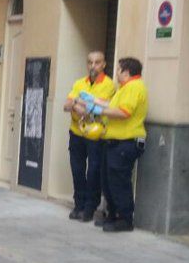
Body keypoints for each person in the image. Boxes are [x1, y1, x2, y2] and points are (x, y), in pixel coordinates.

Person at [81, 57, 148, 232]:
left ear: (126, 72)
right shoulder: (124, 88)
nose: (116, 73)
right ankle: (112, 215)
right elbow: (112, 104)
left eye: (118, 70)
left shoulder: (134, 87)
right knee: (107, 180)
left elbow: (123, 112)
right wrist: (94, 100)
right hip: (114, 142)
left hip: (125, 143)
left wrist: (99, 110)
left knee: (119, 181)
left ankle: (125, 219)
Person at [63, 51, 115, 222]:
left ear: (104, 64)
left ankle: (90, 207)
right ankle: (78, 204)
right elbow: (67, 104)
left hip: (95, 134)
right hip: (76, 132)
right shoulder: (79, 83)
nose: (93, 66)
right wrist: (77, 104)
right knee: (77, 169)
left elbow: (99, 108)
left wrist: (80, 103)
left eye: (97, 62)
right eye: (90, 62)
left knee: (93, 171)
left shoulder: (109, 85)